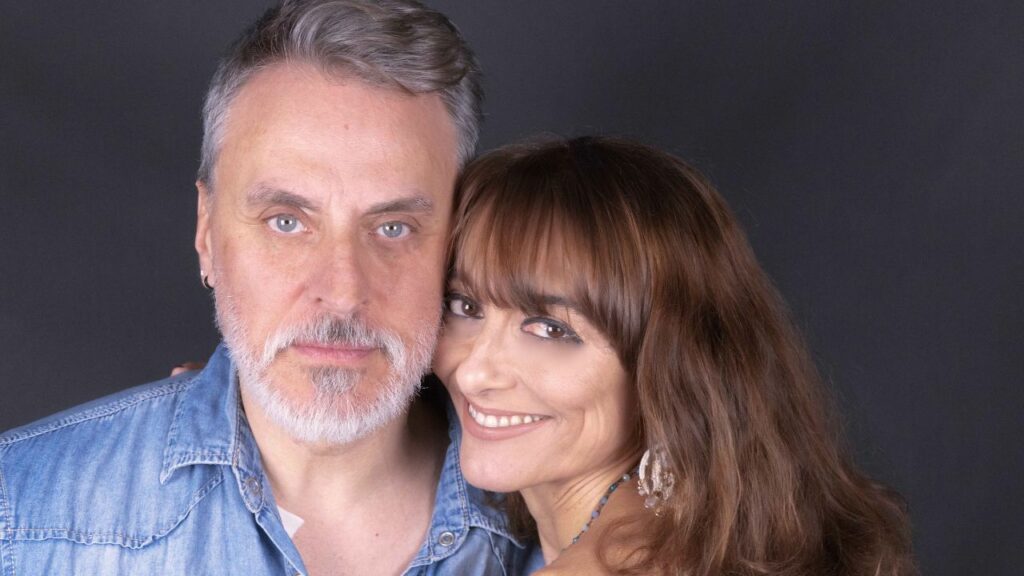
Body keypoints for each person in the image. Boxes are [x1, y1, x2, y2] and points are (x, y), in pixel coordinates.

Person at [0, 1, 534, 574]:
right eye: (286, 221)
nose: (342, 294)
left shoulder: (562, 535)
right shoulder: (20, 519)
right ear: (207, 231)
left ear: (456, 243)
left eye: (393, 228)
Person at [433, 136, 918, 575]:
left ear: (668, 366)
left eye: (549, 329)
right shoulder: (719, 531)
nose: (475, 372)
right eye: (465, 306)